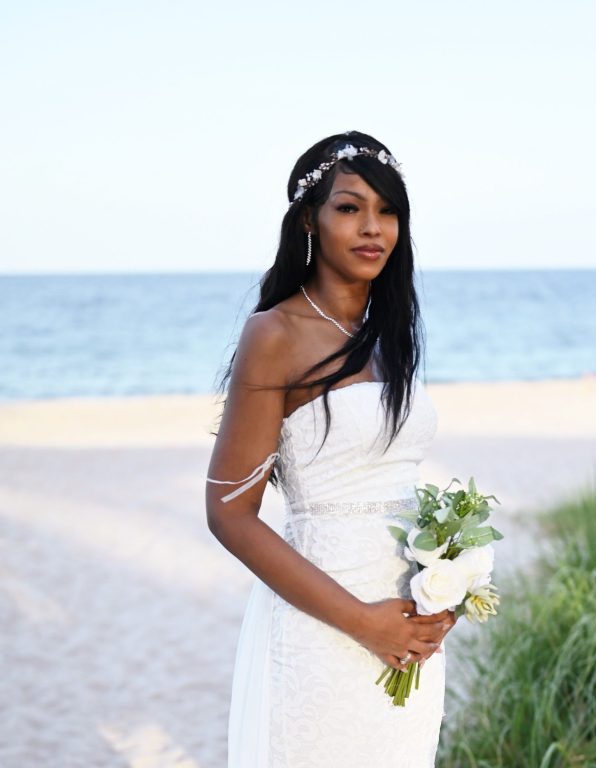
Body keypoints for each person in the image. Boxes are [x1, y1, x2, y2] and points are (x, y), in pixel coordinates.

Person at [205, 130, 456, 768]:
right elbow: (230, 514)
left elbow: (395, 482)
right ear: (310, 222)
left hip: (408, 632)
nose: (373, 228)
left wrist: (445, 584)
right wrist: (363, 622)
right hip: (325, 621)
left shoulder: (388, 336)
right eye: (350, 208)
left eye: (387, 211)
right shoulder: (276, 333)